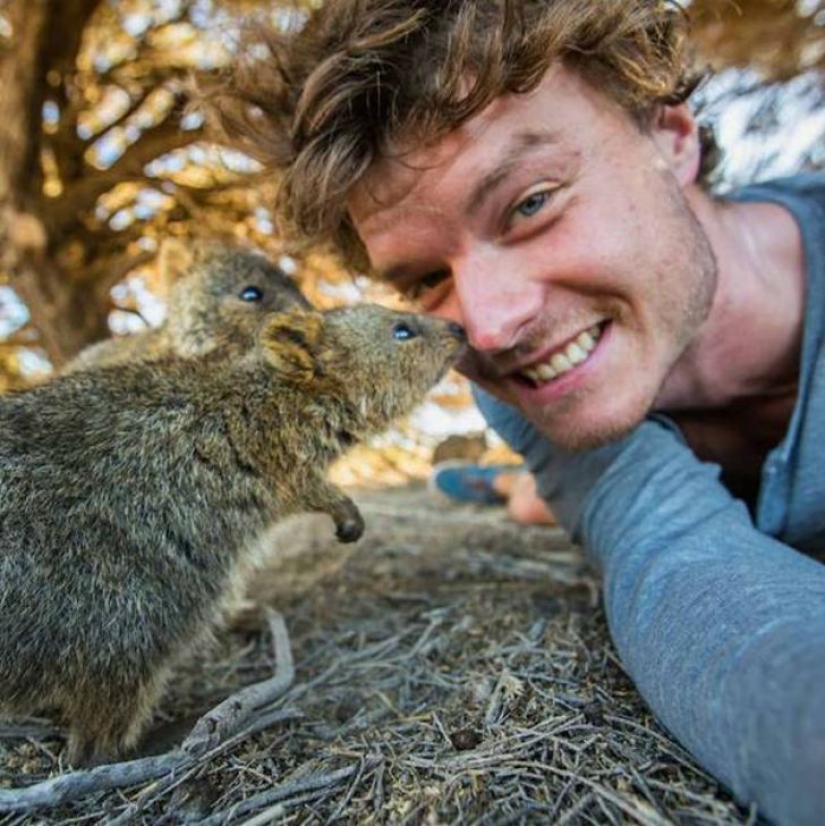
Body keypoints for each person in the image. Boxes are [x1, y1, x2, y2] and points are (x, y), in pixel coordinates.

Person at [210, 2, 825, 822]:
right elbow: (673, 559)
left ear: (671, 137)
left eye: (530, 203)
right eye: (427, 279)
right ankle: (506, 487)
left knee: (554, 497)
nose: (491, 327)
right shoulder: (534, 396)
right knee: (560, 499)